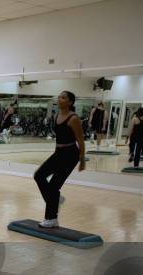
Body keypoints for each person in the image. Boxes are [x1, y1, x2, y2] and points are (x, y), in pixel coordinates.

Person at [33, 91, 85, 228]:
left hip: (70, 155)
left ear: (70, 102)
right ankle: (56, 201)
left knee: (53, 186)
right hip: (58, 152)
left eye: (63, 98)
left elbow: (81, 140)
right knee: (39, 175)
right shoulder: (56, 115)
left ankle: (51, 218)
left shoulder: (74, 118)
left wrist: (82, 159)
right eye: (59, 97)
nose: (59, 99)